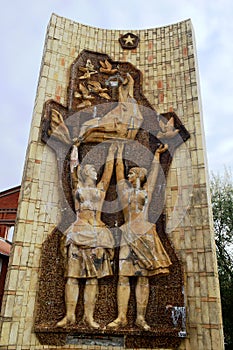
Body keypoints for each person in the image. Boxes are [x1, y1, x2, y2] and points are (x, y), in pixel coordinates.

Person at [107, 143, 172, 331]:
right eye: (129, 174)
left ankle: (140, 318)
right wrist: (118, 153)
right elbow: (119, 173)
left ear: (139, 175)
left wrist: (157, 155)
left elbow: (152, 176)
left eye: (132, 173)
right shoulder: (124, 192)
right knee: (123, 276)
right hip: (128, 233)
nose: (128, 176)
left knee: (143, 278)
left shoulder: (145, 192)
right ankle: (121, 317)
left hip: (145, 234)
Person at [57, 143, 117, 328]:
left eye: (94, 170)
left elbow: (108, 173)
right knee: (72, 276)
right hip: (77, 232)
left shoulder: (100, 189)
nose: (95, 171)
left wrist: (112, 153)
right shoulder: (78, 188)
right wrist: (75, 146)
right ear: (84, 173)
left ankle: (89, 317)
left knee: (92, 278)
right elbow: (73, 167)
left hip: (96, 233)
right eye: (91, 169)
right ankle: (69, 316)